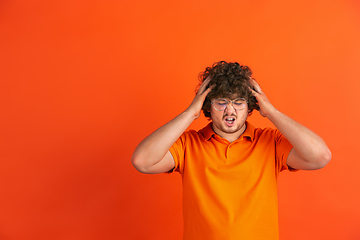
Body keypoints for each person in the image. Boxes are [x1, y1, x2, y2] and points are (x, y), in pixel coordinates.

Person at [131, 61, 331, 240]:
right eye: (221, 102)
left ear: (250, 106)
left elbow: (320, 157)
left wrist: (271, 111)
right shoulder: (188, 144)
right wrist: (190, 113)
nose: (230, 110)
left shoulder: (270, 142)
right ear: (208, 106)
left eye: (238, 102)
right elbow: (142, 161)